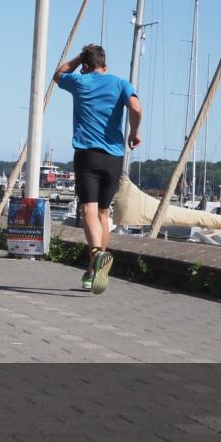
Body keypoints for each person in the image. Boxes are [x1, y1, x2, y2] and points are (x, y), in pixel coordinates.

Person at [53, 44, 142, 295]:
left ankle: (97, 254)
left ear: (85, 66)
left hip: (87, 154)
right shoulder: (121, 84)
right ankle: (93, 272)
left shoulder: (79, 81)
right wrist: (134, 133)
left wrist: (78, 58)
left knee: (88, 210)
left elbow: (58, 74)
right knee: (104, 214)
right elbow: (136, 108)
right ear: (105, 65)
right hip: (114, 158)